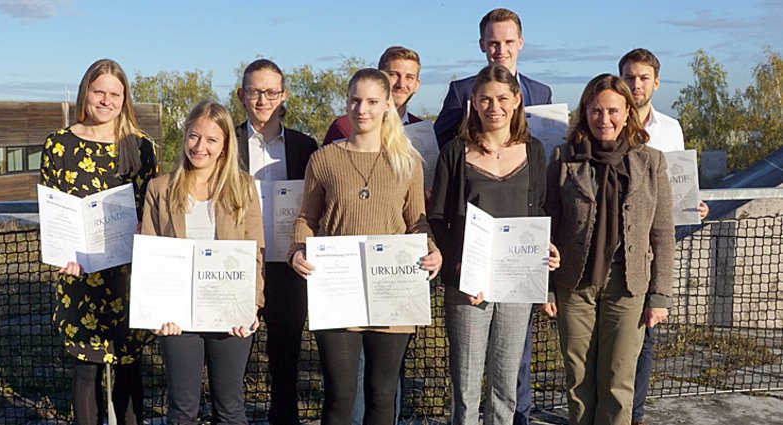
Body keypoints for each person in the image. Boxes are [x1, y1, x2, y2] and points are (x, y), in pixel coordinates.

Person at [289, 68, 442, 425]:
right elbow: (306, 219)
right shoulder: (323, 159)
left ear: (388, 105)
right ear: (346, 102)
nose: (363, 109)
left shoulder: (408, 162)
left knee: (382, 395)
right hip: (338, 291)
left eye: (373, 101)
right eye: (355, 100)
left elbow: (417, 222)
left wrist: (432, 248)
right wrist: (297, 249)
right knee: (341, 397)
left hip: (392, 290)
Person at [434, 10, 551, 424]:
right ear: (473, 103)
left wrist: (547, 252)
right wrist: (458, 264)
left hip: (517, 281)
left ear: (517, 100)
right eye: (485, 99)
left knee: (506, 382)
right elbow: (439, 217)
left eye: (502, 99)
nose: (494, 107)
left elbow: (540, 210)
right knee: (466, 384)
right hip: (468, 281)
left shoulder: (535, 152)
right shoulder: (454, 153)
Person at [541, 74, 676, 425]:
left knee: (618, 381)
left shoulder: (651, 162)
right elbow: (548, 223)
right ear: (585, 112)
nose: (605, 119)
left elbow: (662, 232)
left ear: (628, 112)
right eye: (596, 111)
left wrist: (659, 295)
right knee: (579, 381)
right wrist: (547, 286)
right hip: (574, 283)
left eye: (613, 111)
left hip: (628, 284)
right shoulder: (564, 158)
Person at [40, 58, 157, 425]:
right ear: (85, 93)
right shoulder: (58, 144)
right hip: (78, 272)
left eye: (115, 94)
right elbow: (51, 208)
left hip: (127, 274)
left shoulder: (141, 147)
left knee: (128, 368)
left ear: (125, 99)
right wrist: (63, 253)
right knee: (86, 370)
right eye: (99, 91)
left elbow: (152, 208)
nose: (106, 100)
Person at [143, 100, 264, 424]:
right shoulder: (159, 189)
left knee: (230, 407)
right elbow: (150, 256)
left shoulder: (244, 188)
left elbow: (255, 254)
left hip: (230, 312)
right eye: (194, 136)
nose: (200, 147)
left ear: (225, 145)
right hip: (177, 316)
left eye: (211, 140)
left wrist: (250, 305)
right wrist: (158, 310)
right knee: (182, 409)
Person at [618, 48, 709, 425]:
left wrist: (694, 207)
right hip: (614, 242)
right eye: (629, 77)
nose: (635, 85)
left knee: (646, 333)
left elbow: (677, 187)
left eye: (643, 78)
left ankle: (634, 413)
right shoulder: (607, 120)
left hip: (652, 247)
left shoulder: (670, 128)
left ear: (656, 81)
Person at [233, 58, 317, 425]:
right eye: (254, 91)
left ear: (283, 95)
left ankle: (285, 418)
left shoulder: (304, 146)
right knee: (233, 352)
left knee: (286, 354)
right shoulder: (227, 142)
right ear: (241, 95)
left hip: (287, 263)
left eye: (270, 92)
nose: (262, 100)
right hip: (237, 262)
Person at [434, 8, 551, 148]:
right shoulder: (461, 92)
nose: (501, 51)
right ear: (482, 45)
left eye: (509, 42)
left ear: (520, 43)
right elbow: (439, 142)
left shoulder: (541, 93)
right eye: (494, 43)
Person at [323, 46, 423, 145]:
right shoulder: (344, 126)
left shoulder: (422, 130)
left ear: (416, 85)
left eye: (409, 77)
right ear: (379, 78)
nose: (401, 84)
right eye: (393, 75)